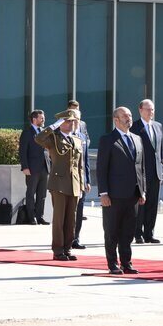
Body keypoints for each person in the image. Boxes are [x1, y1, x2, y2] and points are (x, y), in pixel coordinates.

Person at [96, 107, 146, 274]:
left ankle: (127, 262)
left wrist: (142, 191)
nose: (128, 118)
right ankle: (113, 264)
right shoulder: (107, 140)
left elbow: (141, 168)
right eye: (125, 116)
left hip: (133, 194)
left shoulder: (137, 139)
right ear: (115, 120)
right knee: (112, 231)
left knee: (128, 231)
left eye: (130, 115)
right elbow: (102, 168)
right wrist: (103, 193)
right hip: (114, 195)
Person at [34, 110, 85, 261]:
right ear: (61, 123)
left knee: (71, 219)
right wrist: (53, 126)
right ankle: (58, 250)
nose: (72, 124)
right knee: (59, 219)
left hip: (74, 183)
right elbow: (38, 138)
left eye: (73, 121)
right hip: (58, 184)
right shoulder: (53, 138)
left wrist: (81, 185)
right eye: (68, 121)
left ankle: (67, 249)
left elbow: (79, 166)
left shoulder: (76, 140)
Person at [130, 99, 163, 244]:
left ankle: (149, 233)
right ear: (140, 110)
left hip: (156, 172)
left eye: (152, 109)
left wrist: (162, 170)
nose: (150, 112)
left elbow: (160, 150)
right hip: (142, 172)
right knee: (141, 203)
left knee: (153, 204)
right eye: (147, 109)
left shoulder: (158, 126)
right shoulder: (134, 127)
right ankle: (137, 233)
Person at [18, 109, 49, 226]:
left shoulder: (44, 132)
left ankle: (40, 216)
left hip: (44, 168)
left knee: (42, 194)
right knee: (31, 193)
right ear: (34, 119)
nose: (43, 120)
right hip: (32, 168)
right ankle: (31, 218)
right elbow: (22, 151)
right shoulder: (27, 133)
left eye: (43, 117)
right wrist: (25, 167)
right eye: (41, 118)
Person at [70, 106, 91, 249]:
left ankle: (76, 238)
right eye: (74, 119)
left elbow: (86, 160)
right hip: (68, 180)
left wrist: (88, 180)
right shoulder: (63, 135)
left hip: (81, 179)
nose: (76, 122)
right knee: (69, 211)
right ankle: (66, 238)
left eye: (78, 119)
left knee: (80, 210)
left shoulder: (82, 137)